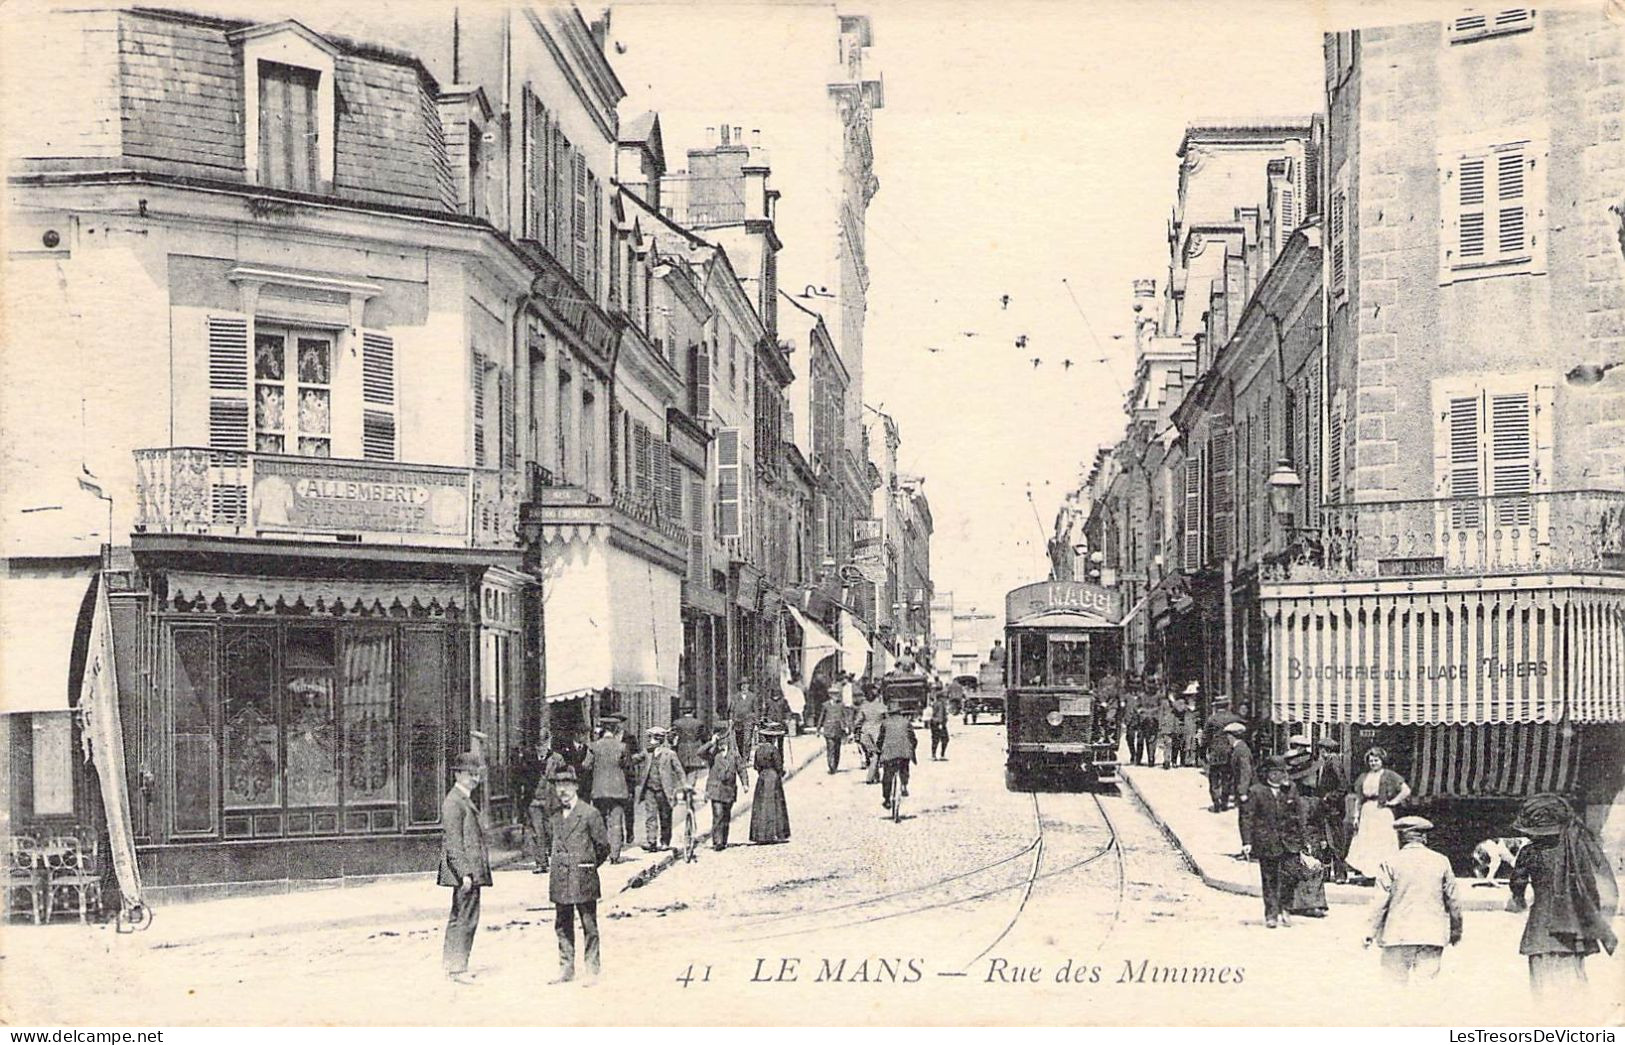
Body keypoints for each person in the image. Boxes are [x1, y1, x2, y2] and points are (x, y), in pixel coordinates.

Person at [1508, 793, 1620, 998]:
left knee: (1542, 992)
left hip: (1539, 931)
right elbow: (1600, 886)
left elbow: (1517, 886)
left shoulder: (1528, 853)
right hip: (1572, 930)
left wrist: (1518, 899)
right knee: (1574, 989)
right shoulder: (1578, 849)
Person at [1365, 816, 1463, 984]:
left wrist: (1369, 932)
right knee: (1425, 989)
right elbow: (1453, 900)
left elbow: (1379, 901)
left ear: (1401, 837)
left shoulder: (1391, 862)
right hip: (1431, 934)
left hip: (1398, 934)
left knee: (1394, 988)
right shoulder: (1441, 861)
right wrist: (1456, 930)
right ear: (1424, 837)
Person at [547, 766, 610, 985]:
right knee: (562, 924)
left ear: (575, 786)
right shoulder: (554, 815)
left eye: (566, 785)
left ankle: (592, 970)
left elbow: (603, 846)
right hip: (560, 877)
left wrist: (587, 865)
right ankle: (566, 969)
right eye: (558, 785)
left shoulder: (589, 813)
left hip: (582, 876)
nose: (562, 790)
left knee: (589, 924)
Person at [1242, 756, 1315, 929]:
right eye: (1276, 772)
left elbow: (1300, 816)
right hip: (1267, 841)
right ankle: (1271, 914)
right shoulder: (1256, 791)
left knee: (1290, 878)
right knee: (1269, 879)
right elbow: (1247, 818)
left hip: (1290, 841)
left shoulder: (1290, 790)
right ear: (1268, 773)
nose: (1281, 775)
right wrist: (1247, 841)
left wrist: (1305, 840)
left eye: (1283, 772)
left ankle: (1286, 909)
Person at [438, 752, 490, 984]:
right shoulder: (454, 802)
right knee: (465, 918)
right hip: (465, 872)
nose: (475, 778)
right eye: (470, 774)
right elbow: (453, 842)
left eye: (477, 774)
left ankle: (453, 966)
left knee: (459, 916)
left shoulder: (463, 799)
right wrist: (465, 873)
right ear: (458, 774)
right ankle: (458, 969)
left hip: (468, 870)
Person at [1346, 746, 1411, 884]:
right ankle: (1368, 874)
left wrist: (1393, 802)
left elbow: (1406, 790)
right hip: (1367, 811)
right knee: (1366, 841)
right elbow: (1359, 798)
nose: (1373, 763)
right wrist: (1356, 816)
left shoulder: (1389, 775)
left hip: (1382, 812)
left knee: (1382, 842)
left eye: (1376, 760)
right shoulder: (1364, 777)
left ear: (1382, 761)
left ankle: (1383, 874)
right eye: (1371, 761)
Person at [1284, 735, 1328, 918]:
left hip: (1312, 835)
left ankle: (1304, 904)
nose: (1315, 777)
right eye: (1312, 775)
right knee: (1308, 868)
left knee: (1311, 867)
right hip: (1303, 837)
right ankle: (1307, 904)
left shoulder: (1312, 799)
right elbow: (1299, 822)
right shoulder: (1300, 800)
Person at [581, 717, 629, 864]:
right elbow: (627, 765)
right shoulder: (622, 747)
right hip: (618, 790)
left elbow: (586, 766)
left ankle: (600, 853)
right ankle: (615, 856)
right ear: (615, 730)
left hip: (599, 790)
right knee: (616, 823)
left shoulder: (594, 747)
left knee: (599, 822)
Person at [1306, 738, 1350, 883]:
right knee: (1325, 841)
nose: (1320, 752)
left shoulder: (1334, 762)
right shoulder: (1326, 763)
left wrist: (1328, 798)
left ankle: (1340, 874)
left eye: (1321, 749)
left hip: (1334, 809)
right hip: (1326, 809)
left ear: (1325, 750)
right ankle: (1326, 873)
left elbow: (1343, 787)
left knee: (1335, 841)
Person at [637, 726, 685, 851]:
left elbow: (679, 771)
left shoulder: (670, 754)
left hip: (665, 789)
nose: (650, 741)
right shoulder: (647, 753)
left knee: (665, 816)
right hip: (650, 789)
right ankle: (651, 842)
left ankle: (665, 841)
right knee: (650, 815)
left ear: (659, 739)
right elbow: (634, 759)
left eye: (652, 738)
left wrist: (684, 785)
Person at [701, 726, 750, 850]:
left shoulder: (734, 754)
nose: (721, 743)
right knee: (718, 814)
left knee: (726, 816)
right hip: (715, 789)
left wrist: (745, 783)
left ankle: (723, 840)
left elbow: (741, 768)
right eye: (719, 741)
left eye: (724, 740)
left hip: (729, 789)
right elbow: (700, 753)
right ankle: (717, 842)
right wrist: (711, 743)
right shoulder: (712, 754)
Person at [528, 738, 570, 874]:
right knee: (537, 832)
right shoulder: (529, 758)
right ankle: (541, 863)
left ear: (547, 744)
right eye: (538, 745)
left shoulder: (557, 759)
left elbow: (565, 779)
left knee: (552, 831)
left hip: (552, 800)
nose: (540, 748)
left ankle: (557, 861)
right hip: (534, 800)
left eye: (543, 745)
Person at [749, 723, 791, 843]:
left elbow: (756, 766)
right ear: (772, 738)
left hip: (762, 778)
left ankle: (760, 835)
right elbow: (779, 765)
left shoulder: (759, 750)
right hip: (773, 777)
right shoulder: (774, 750)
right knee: (775, 805)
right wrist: (781, 772)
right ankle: (776, 833)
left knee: (761, 805)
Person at [877, 700, 919, 811]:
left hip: (889, 754)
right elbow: (913, 739)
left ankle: (886, 799)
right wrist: (912, 749)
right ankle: (904, 785)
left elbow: (880, 740)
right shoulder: (906, 722)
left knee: (887, 776)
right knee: (904, 768)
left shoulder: (885, 723)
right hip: (903, 753)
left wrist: (879, 750)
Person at [1228, 723, 1255, 855]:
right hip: (1245, 789)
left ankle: (1248, 849)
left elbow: (1245, 771)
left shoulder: (1241, 749)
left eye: (1228, 735)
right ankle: (1248, 848)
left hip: (1248, 791)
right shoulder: (1239, 748)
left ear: (1232, 736)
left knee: (1246, 819)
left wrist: (1243, 791)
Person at [1205, 707, 1236, 812]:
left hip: (1215, 753)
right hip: (1228, 752)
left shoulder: (1212, 719)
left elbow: (1206, 737)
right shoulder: (1232, 718)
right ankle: (1224, 802)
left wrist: (1203, 751)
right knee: (1226, 779)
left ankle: (1216, 801)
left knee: (1214, 779)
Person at [671, 704, 706, 789]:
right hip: (695, 751)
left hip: (681, 751)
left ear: (682, 711)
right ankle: (690, 788)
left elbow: (672, 737)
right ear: (693, 711)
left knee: (682, 771)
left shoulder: (677, 723)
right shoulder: (699, 723)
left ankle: (685, 788)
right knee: (693, 772)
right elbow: (704, 737)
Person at [856, 685, 887, 784]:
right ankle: (870, 777)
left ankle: (876, 776)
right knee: (876, 754)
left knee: (872, 755)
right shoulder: (880, 705)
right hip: (877, 732)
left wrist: (854, 730)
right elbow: (887, 718)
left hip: (865, 732)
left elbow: (858, 720)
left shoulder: (863, 706)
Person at [1160, 686, 1191, 769]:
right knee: (1168, 744)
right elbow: (1161, 713)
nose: (1171, 694)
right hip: (1167, 727)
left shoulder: (1181, 702)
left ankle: (1174, 761)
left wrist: (1173, 701)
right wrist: (1160, 726)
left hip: (1177, 728)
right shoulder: (1164, 702)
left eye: (1173, 692)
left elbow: (1180, 709)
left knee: (1176, 745)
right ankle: (1167, 761)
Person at [820, 691, 848, 773]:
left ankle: (835, 765)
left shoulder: (841, 705)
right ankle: (831, 766)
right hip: (828, 729)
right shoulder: (825, 705)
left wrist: (847, 727)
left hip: (838, 729)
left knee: (837, 748)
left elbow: (845, 716)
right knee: (830, 748)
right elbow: (822, 717)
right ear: (830, 696)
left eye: (837, 695)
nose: (836, 697)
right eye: (834, 695)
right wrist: (819, 729)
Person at [729, 685, 758, 757]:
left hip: (749, 721)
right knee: (739, 740)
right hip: (738, 721)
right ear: (740, 686)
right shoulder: (735, 697)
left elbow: (756, 710)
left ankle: (746, 757)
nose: (744, 687)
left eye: (746, 684)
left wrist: (756, 722)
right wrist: (731, 719)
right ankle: (741, 755)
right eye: (742, 685)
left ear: (748, 686)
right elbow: (731, 709)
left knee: (747, 740)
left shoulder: (752, 697)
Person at [927, 688, 951, 761]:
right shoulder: (941, 704)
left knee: (935, 739)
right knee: (945, 739)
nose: (946, 699)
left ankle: (933, 755)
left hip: (933, 722)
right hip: (939, 723)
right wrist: (941, 724)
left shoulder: (935, 703)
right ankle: (942, 755)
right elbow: (940, 714)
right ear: (941, 698)